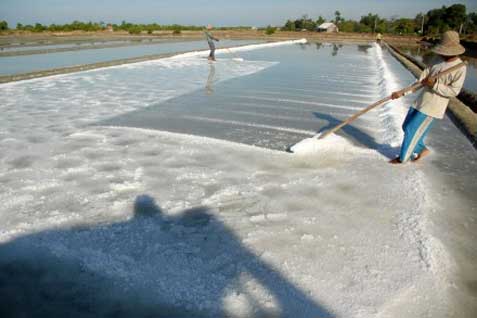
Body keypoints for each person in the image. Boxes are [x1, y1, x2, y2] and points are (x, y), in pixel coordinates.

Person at [389, 30, 467, 164]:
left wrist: (435, 84)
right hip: (421, 101)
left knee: (411, 130)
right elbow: (422, 80)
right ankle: (421, 150)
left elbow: (454, 91)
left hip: (433, 107)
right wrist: (402, 92)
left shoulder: (460, 68)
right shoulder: (437, 60)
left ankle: (403, 158)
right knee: (406, 127)